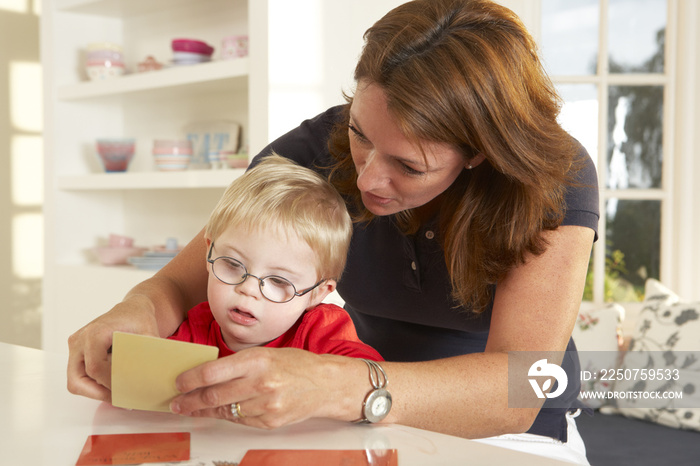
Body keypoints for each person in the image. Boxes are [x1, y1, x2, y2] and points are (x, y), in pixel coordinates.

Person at [67, 0, 598, 463]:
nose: (366, 177)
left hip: (510, 439)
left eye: (409, 167)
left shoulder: (553, 178)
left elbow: (519, 390)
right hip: (351, 419)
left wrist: (341, 388)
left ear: (478, 153)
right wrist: (132, 312)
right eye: (359, 134)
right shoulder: (311, 151)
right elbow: (183, 281)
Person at [166, 154, 382, 365]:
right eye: (233, 264)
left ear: (316, 293)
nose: (248, 289)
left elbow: (373, 381)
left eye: (278, 281)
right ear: (209, 251)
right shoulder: (195, 328)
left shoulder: (321, 332)